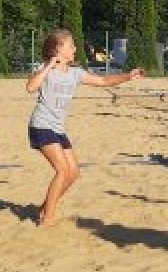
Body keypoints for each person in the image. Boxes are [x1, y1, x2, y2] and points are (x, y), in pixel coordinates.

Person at [26, 28, 143, 225]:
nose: (74, 48)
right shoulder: (47, 70)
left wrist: (128, 76)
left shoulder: (75, 73)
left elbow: (104, 81)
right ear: (58, 49)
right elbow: (30, 87)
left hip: (57, 128)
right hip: (41, 125)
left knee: (73, 173)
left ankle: (46, 207)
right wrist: (48, 65)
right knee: (62, 170)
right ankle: (48, 218)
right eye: (70, 45)